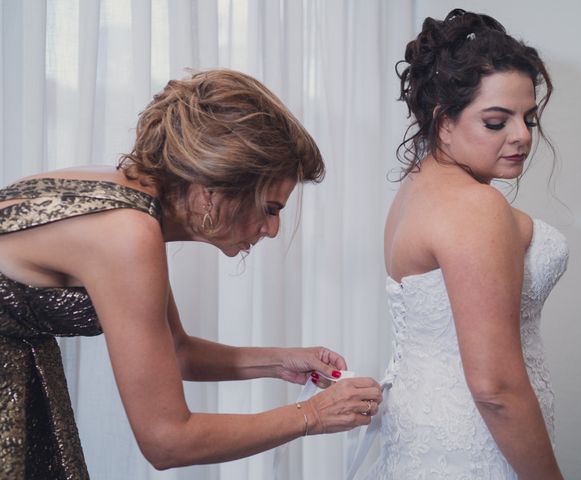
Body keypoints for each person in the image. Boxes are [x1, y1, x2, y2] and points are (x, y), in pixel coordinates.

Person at [0, 69, 382, 479]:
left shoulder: (127, 197)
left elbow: (177, 351)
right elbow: (167, 440)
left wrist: (280, 362)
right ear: (211, 189)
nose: (272, 231)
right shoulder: (126, 233)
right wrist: (312, 416)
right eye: (270, 208)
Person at [366, 9, 567, 480]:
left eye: (529, 118)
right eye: (497, 122)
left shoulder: (414, 190)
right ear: (444, 121)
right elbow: (495, 387)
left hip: (422, 434)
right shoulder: (475, 206)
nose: (521, 136)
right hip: (477, 443)